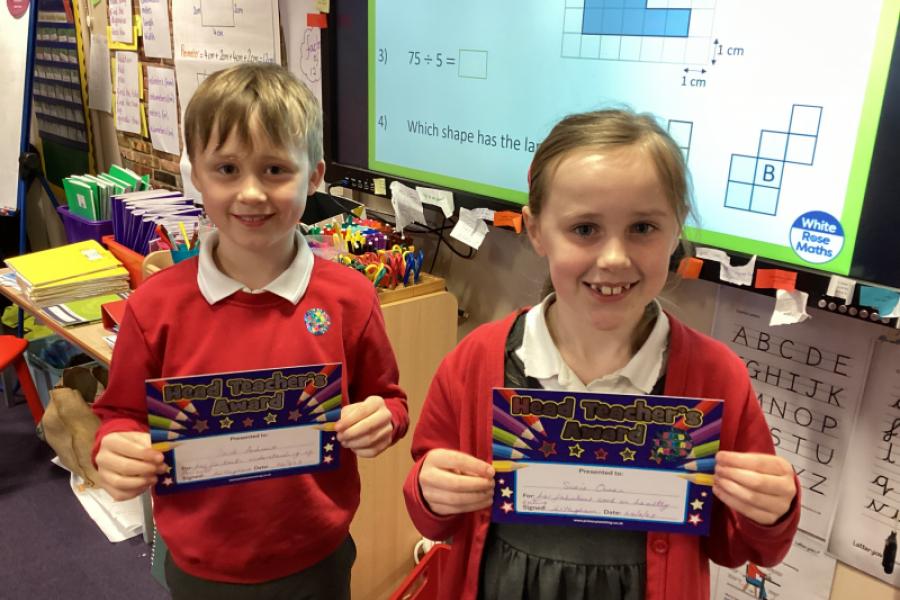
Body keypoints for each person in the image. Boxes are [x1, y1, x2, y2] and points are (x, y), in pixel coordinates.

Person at [402, 109, 799, 600]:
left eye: (643, 228)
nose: (614, 258)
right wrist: (430, 491)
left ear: (676, 230)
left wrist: (771, 511)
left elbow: (736, 544)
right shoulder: (475, 362)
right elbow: (430, 508)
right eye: (585, 229)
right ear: (536, 231)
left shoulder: (716, 377)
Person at [92, 63, 408, 599]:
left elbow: (388, 399)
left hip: (316, 559)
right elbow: (120, 414)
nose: (252, 193)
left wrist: (384, 420)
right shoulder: (154, 307)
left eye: (275, 169)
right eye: (227, 169)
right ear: (196, 174)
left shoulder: (350, 298)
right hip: (201, 565)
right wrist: (114, 445)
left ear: (314, 176)